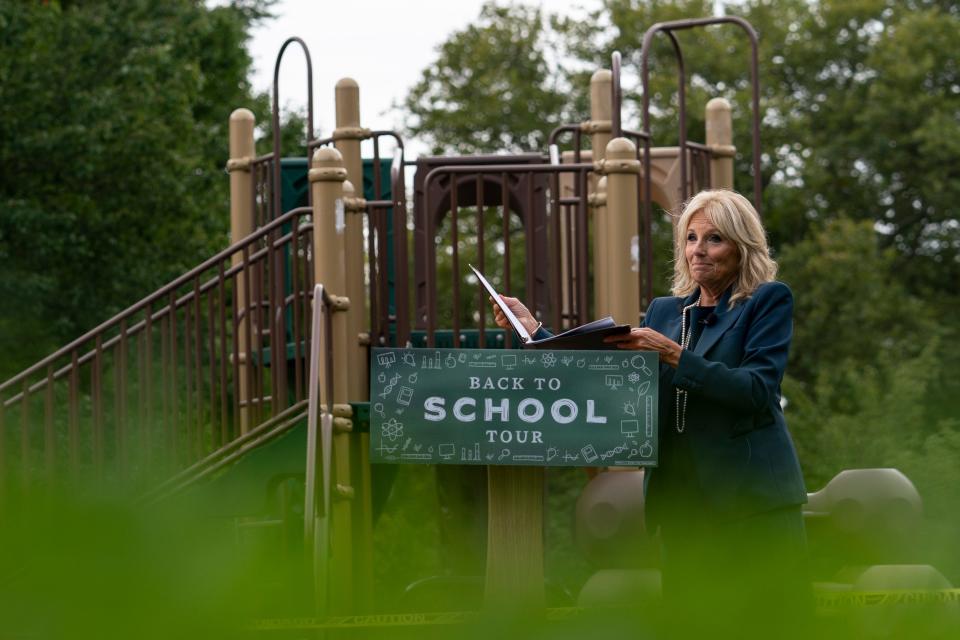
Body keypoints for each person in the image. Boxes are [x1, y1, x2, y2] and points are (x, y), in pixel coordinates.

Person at [492, 189, 809, 637]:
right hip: (680, 502)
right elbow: (612, 376)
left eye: (714, 238)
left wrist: (677, 356)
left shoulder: (767, 301)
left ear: (741, 246)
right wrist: (534, 331)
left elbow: (757, 390)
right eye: (691, 238)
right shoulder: (665, 311)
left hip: (751, 501)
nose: (698, 249)